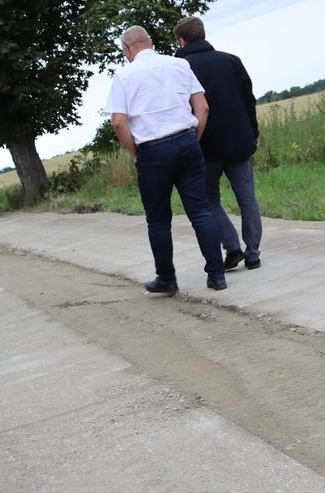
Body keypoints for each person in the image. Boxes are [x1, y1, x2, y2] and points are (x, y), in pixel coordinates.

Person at [104, 25, 226, 294]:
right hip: (187, 142)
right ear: (151, 42)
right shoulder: (179, 64)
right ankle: (217, 275)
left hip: (152, 151)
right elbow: (202, 106)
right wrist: (194, 137)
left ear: (126, 49)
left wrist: (136, 153)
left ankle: (167, 280)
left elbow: (118, 122)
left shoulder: (124, 76)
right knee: (201, 211)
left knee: (158, 220)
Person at [175, 16, 263, 270]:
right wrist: (253, 132)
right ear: (202, 34)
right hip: (239, 142)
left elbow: (185, 107)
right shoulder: (231, 60)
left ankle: (232, 246)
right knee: (248, 200)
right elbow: (249, 100)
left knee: (208, 199)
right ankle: (253, 254)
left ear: (181, 40)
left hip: (205, 147)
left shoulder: (180, 67)